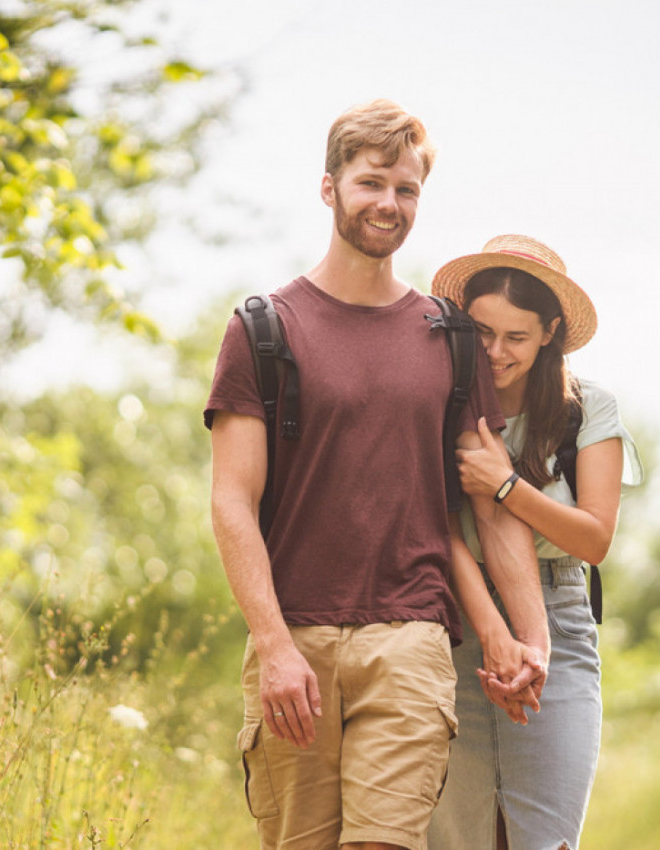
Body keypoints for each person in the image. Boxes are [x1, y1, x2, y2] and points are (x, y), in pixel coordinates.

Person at [204, 102, 548, 850]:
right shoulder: (264, 331)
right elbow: (232, 500)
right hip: (296, 634)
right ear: (328, 189)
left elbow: (488, 506)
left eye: (407, 189)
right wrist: (273, 646)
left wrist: (528, 638)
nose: (389, 205)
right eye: (371, 184)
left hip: (411, 638)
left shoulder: (451, 339)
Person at [426, 235, 644, 850]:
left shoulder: (587, 411)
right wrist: (493, 626)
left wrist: (505, 487)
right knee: (457, 839)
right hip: (455, 624)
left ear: (550, 333)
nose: (495, 353)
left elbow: (595, 538)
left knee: (544, 839)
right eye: (482, 333)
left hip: (559, 618)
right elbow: (438, 531)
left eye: (516, 338)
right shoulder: (441, 403)